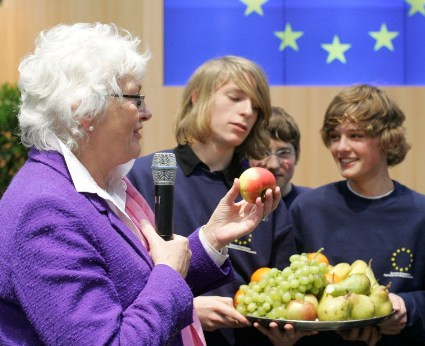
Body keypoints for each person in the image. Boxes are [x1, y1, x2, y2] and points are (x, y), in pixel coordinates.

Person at [0, 23, 282, 346]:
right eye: (136, 99)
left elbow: (139, 286)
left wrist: (211, 238)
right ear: (83, 110)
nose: (146, 113)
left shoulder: (99, 184)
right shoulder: (46, 210)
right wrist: (170, 274)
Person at [128, 56, 309, 345]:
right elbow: (124, 280)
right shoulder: (147, 174)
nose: (247, 111)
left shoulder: (262, 189)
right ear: (199, 98)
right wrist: (187, 309)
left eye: (256, 106)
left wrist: (287, 331)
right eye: (236, 97)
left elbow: (282, 284)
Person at [289, 84, 425, 345]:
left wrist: (406, 308)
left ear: (389, 139)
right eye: (335, 136)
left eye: (355, 136)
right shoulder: (308, 209)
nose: (341, 148)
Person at [249, 106, 311, 208]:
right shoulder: (233, 206)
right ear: (248, 154)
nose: (273, 164)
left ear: (298, 154)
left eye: (283, 152)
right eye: (263, 152)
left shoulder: (312, 205)